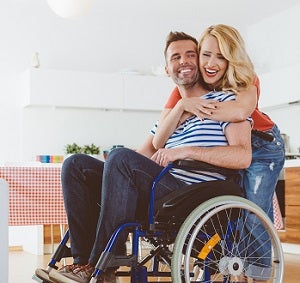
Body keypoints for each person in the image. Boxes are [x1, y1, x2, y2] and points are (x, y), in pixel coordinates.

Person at [35, 31, 252, 283]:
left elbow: (242, 156)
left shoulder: (225, 101)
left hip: (191, 193)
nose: (183, 61)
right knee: (76, 165)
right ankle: (82, 262)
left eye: (191, 55)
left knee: (119, 158)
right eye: (175, 57)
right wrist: (109, 177)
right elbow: (138, 157)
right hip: (161, 188)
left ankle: (102, 267)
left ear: (200, 62)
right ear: (167, 68)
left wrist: (186, 151)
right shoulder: (169, 117)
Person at [154, 24, 285, 282]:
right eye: (206, 54)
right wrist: (182, 106)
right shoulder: (191, 82)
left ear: (232, 59)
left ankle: (258, 275)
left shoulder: (245, 79)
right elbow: (162, 127)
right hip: (229, 146)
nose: (211, 63)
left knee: (253, 211)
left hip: (264, 148)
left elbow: (238, 113)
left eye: (221, 56)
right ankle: (227, 265)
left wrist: (193, 109)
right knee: (230, 210)